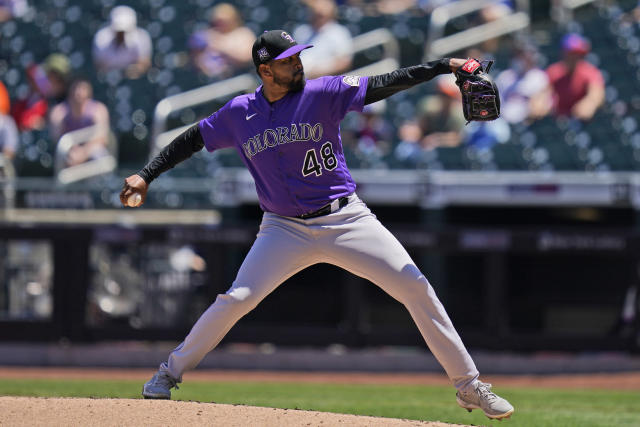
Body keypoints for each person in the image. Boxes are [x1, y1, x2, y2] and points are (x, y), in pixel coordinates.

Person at [121, 30, 514, 420]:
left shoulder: (322, 92)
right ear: (265, 70)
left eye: (297, 56)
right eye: (288, 60)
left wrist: (443, 66)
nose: (298, 63)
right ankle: (168, 373)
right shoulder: (239, 113)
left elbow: (384, 83)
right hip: (282, 229)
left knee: (415, 286)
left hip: (346, 218)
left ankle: (469, 386)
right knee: (237, 299)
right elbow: (192, 138)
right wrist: (146, 175)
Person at [49, 78, 110, 167]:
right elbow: (57, 138)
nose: (78, 92)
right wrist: (73, 150)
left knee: (99, 155)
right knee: (61, 154)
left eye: (82, 88)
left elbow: (102, 138)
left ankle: (101, 181)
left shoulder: (99, 109)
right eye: (75, 88)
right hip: (69, 152)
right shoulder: (59, 111)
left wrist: (83, 153)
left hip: (91, 149)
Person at [545, 33, 604, 121]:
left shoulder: (589, 71)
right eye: (572, 53)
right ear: (563, 53)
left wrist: (590, 103)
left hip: (582, 121)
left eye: (578, 54)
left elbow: (597, 94)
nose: (575, 57)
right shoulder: (553, 72)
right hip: (559, 120)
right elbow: (543, 94)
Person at [188, 3, 255, 80]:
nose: (220, 24)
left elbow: (247, 57)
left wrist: (221, 47)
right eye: (217, 21)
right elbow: (199, 62)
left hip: (241, 78)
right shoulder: (209, 35)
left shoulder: (242, 33)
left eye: (223, 21)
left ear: (233, 20)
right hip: (215, 81)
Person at [292, 0, 353, 79]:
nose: (317, 18)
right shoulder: (301, 32)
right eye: (315, 13)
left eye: (320, 15)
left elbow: (344, 63)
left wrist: (315, 73)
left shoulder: (339, 32)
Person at [495, 40, 551, 125]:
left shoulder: (539, 77)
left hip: (529, 125)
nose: (522, 58)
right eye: (519, 55)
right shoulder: (504, 77)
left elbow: (543, 107)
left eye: (524, 54)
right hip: (505, 123)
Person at [92, 5, 152, 79]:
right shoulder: (101, 39)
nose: (121, 34)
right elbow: (99, 66)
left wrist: (132, 71)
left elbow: (144, 63)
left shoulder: (142, 38)